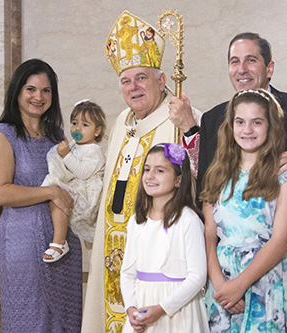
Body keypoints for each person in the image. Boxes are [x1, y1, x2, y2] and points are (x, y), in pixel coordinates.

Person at [169, 32, 287, 332]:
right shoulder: (216, 118)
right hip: (227, 270)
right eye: (234, 61)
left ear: (269, 68)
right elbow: (208, 188)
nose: (241, 69)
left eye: (251, 60)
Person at [82, 11, 200, 332]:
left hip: (157, 249)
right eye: (125, 80)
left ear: (162, 80)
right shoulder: (121, 121)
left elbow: (197, 176)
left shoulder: (181, 118)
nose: (133, 87)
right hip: (114, 241)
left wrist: (189, 127)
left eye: (142, 78)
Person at [0, 58, 82, 332]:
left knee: (64, 320)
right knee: (30, 316)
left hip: (63, 244)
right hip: (22, 242)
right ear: (17, 91)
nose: (38, 97)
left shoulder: (57, 135)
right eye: (31, 89)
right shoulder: (3, 135)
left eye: (46, 90)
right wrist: (51, 191)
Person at [201, 89, 287, 331]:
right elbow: (209, 235)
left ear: (270, 126)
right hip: (221, 285)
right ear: (230, 125)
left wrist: (239, 285)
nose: (247, 130)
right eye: (240, 122)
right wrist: (221, 285)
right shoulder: (219, 172)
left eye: (257, 122)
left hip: (266, 283)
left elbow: (281, 240)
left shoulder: (285, 174)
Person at [120, 143, 209, 333]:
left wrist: (162, 308)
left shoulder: (188, 220)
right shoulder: (137, 221)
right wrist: (131, 309)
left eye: (160, 170)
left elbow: (198, 276)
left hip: (178, 312)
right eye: (147, 169)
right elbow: (127, 273)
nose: (150, 176)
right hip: (142, 311)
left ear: (178, 180)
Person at [41, 99, 106, 262]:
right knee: (53, 193)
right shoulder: (77, 145)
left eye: (85, 125)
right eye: (74, 123)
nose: (77, 128)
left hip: (87, 193)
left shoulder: (94, 151)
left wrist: (66, 155)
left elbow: (83, 172)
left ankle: (59, 242)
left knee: (59, 197)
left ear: (97, 131)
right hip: (76, 184)